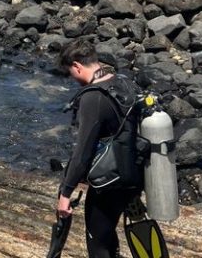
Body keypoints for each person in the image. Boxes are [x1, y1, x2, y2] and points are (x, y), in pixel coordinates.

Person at [55, 38, 141, 258]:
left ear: (77, 66)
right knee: (107, 232)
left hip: (109, 182)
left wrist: (66, 193)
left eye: (70, 73)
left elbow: (83, 152)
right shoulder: (124, 82)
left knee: (98, 245)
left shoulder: (93, 97)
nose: (73, 79)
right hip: (134, 175)